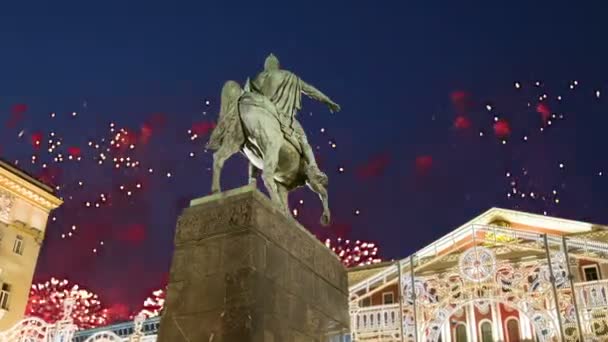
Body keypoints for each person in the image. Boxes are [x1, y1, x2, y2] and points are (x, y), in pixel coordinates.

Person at [251, 53, 341, 183]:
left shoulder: (259, 77)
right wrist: (328, 101)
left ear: (266, 66)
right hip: (284, 117)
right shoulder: (289, 76)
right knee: (304, 142)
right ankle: (314, 169)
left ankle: (252, 177)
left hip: (265, 113)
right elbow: (310, 90)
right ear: (277, 65)